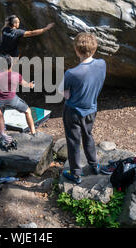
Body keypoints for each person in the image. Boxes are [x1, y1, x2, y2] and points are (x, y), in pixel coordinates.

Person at [58, 32, 106, 184]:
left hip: (73, 111)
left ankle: (76, 173)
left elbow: (62, 93)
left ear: (77, 50)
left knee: (73, 141)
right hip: (91, 109)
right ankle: (94, 165)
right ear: (94, 49)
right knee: (88, 135)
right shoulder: (102, 64)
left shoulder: (72, 73)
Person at [0, 55, 37, 135]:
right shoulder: (16, 75)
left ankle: (0, 134)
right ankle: (33, 132)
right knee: (28, 111)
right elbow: (25, 85)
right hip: (12, 99)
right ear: (11, 65)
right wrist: (31, 85)